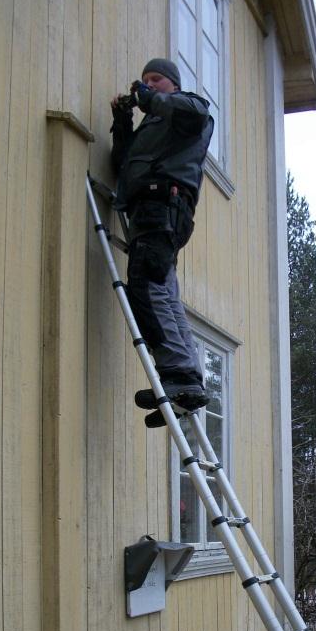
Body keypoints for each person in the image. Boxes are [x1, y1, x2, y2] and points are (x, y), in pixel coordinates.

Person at [110, 58, 214, 428]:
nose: (148, 85)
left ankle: (177, 374)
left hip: (163, 207)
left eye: (155, 79)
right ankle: (186, 381)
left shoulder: (189, 108)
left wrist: (148, 98)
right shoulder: (154, 127)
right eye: (144, 81)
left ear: (171, 83)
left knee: (146, 288)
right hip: (149, 212)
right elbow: (123, 164)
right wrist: (122, 122)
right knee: (163, 292)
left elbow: (193, 113)